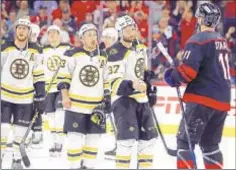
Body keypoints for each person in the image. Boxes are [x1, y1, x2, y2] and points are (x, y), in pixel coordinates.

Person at [164, 2, 231, 169]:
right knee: (210, 145)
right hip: (222, 101)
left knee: (185, 142)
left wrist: (172, 76)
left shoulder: (197, 40)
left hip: (202, 100)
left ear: (201, 19)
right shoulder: (221, 40)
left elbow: (188, 73)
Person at [106, 15, 158, 169]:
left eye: (133, 27)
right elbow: (114, 83)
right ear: (120, 31)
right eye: (127, 29)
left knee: (149, 140)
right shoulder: (115, 51)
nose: (131, 31)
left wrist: (149, 87)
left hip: (141, 99)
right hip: (123, 100)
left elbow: (144, 72)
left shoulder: (141, 47)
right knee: (126, 141)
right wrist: (134, 84)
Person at [57, 23, 108, 169]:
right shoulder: (72, 54)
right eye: (89, 35)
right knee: (74, 141)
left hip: (96, 107)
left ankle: (88, 166)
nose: (93, 38)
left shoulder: (103, 56)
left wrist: (107, 98)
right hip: (75, 106)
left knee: (93, 142)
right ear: (82, 38)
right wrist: (65, 96)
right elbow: (63, 78)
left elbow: (106, 79)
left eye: (95, 35)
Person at [1, 17, 45, 169]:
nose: (21, 31)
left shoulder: (36, 49)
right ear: (15, 30)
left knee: (20, 131)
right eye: (19, 28)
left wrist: (40, 96)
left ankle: (16, 159)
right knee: (3, 130)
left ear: (29, 31)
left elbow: (39, 74)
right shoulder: (5, 47)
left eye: (24, 28)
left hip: (25, 98)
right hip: (4, 96)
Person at [42, 25, 71, 156]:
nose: (52, 35)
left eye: (55, 32)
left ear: (60, 35)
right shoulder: (43, 50)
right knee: (51, 117)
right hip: (48, 87)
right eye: (50, 33)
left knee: (60, 115)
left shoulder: (67, 49)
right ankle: (54, 142)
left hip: (62, 87)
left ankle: (60, 143)